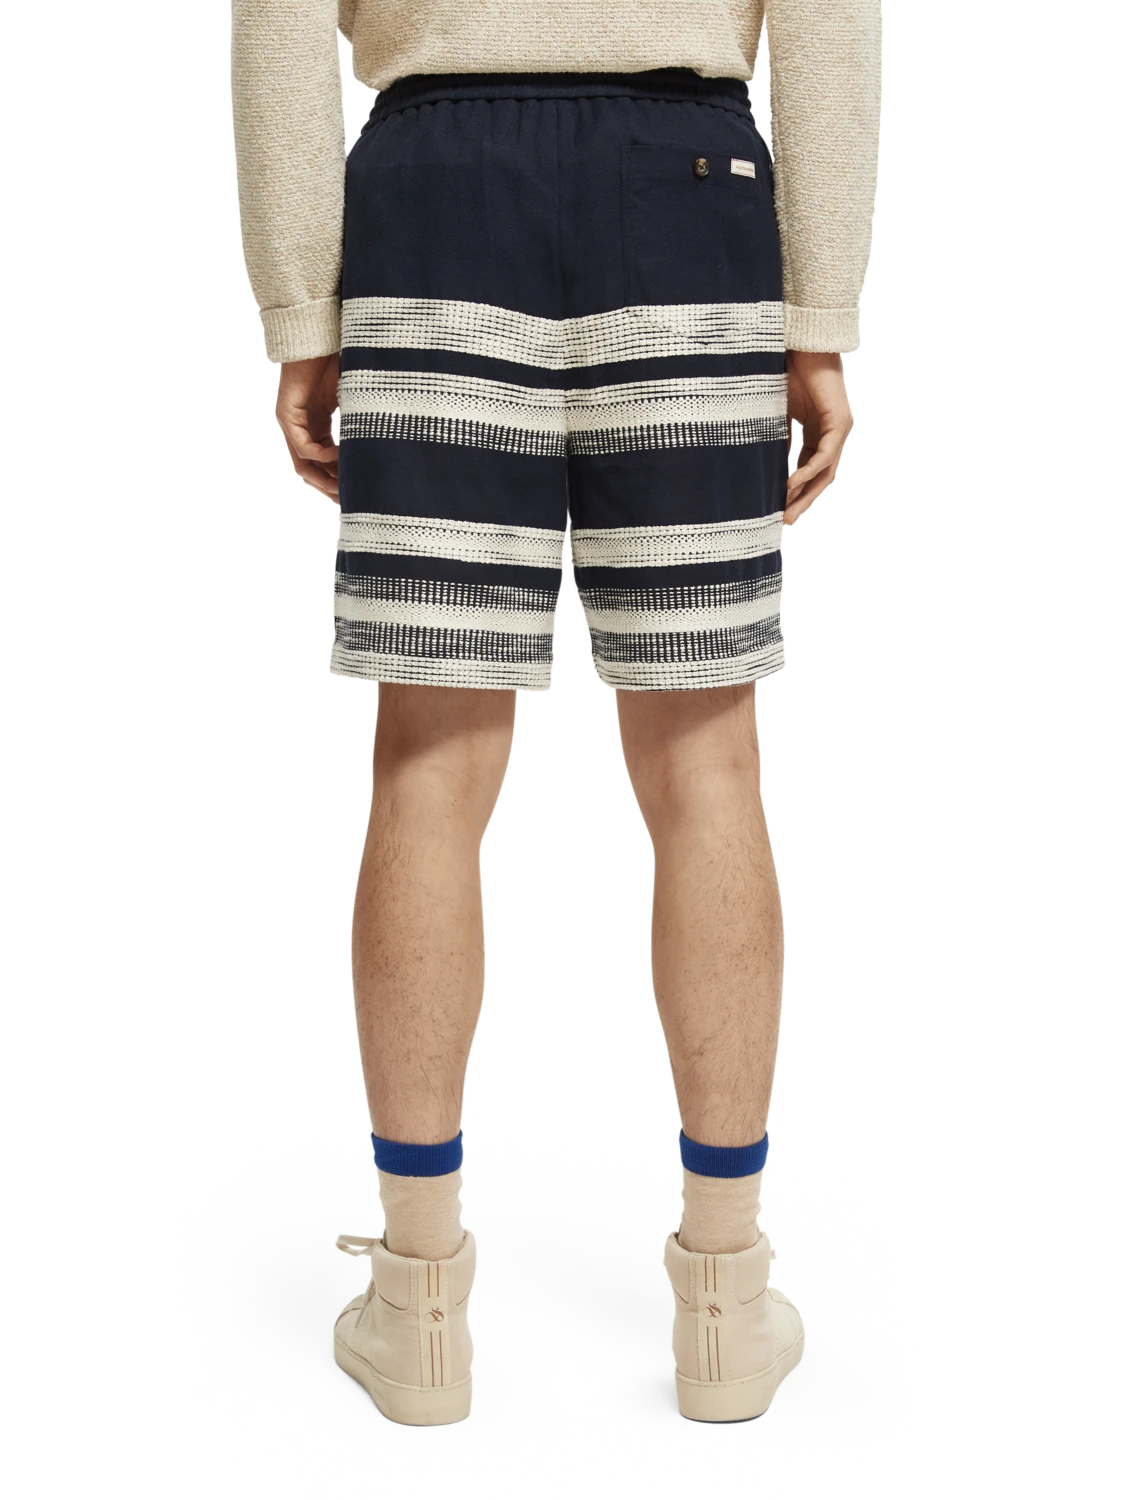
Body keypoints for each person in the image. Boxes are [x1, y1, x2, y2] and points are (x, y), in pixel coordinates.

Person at [231, 0, 881, 1427]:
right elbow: (828, 18)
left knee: (429, 759)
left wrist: (301, 310)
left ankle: (417, 1307)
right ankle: (725, 1304)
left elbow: (279, 21)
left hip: (432, 205)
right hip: (690, 190)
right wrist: (823, 316)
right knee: (708, 759)